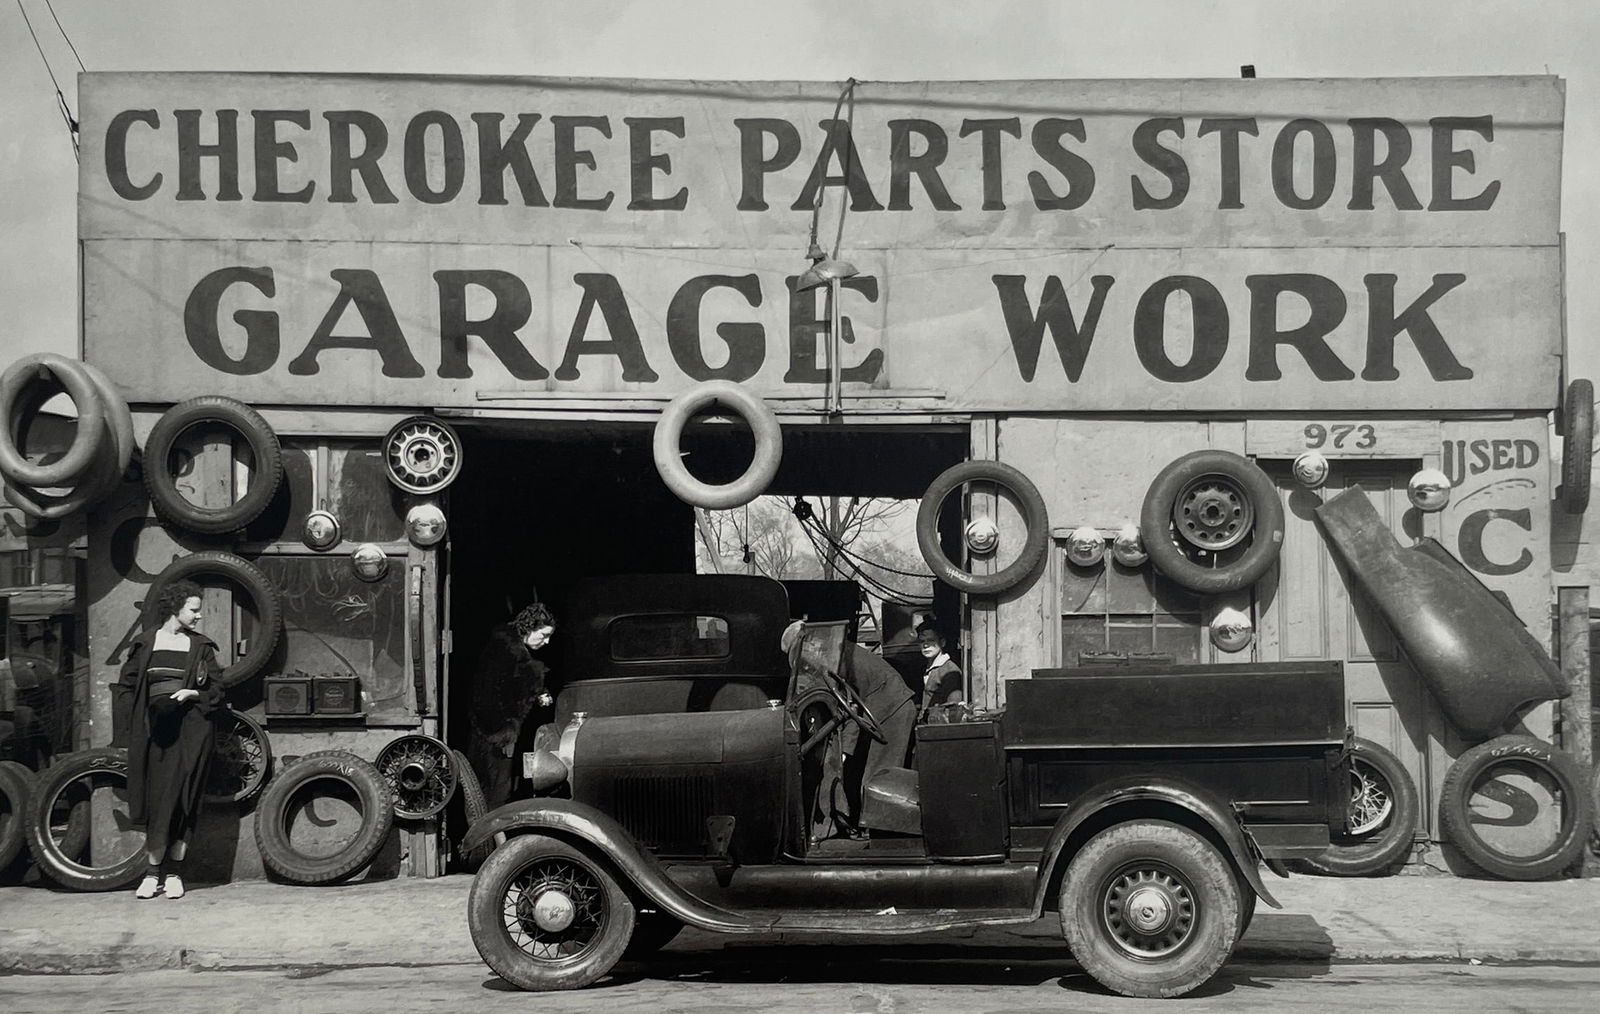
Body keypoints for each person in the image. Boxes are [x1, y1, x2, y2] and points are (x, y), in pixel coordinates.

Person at [119, 580, 225, 900]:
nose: (199, 617)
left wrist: (193, 693)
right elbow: (126, 687)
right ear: (175, 609)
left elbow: (218, 690)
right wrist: (140, 722)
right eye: (194, 610)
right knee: (158, 803)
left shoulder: (201, 647)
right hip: (157, 736)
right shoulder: (145, 643)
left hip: (192, 735)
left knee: (184, 801)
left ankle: (175, 874)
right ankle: (153, 874)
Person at [467, 602, 557, 810]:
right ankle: (491, 839)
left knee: (492, 789)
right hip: (496, 735)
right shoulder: (509, 655)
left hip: (494, 731)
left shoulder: (505, 648)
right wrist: (503, 731)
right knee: (497, 790)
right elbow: (492, 694)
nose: (547, 642)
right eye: (543, 635)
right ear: (528, 628)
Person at [915, 620, 964, 724]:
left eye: (931, 640)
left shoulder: (950, 671)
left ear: (942, 642)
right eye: (922, 641)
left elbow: (953, 709)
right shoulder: (928, 668)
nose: (925, 645)